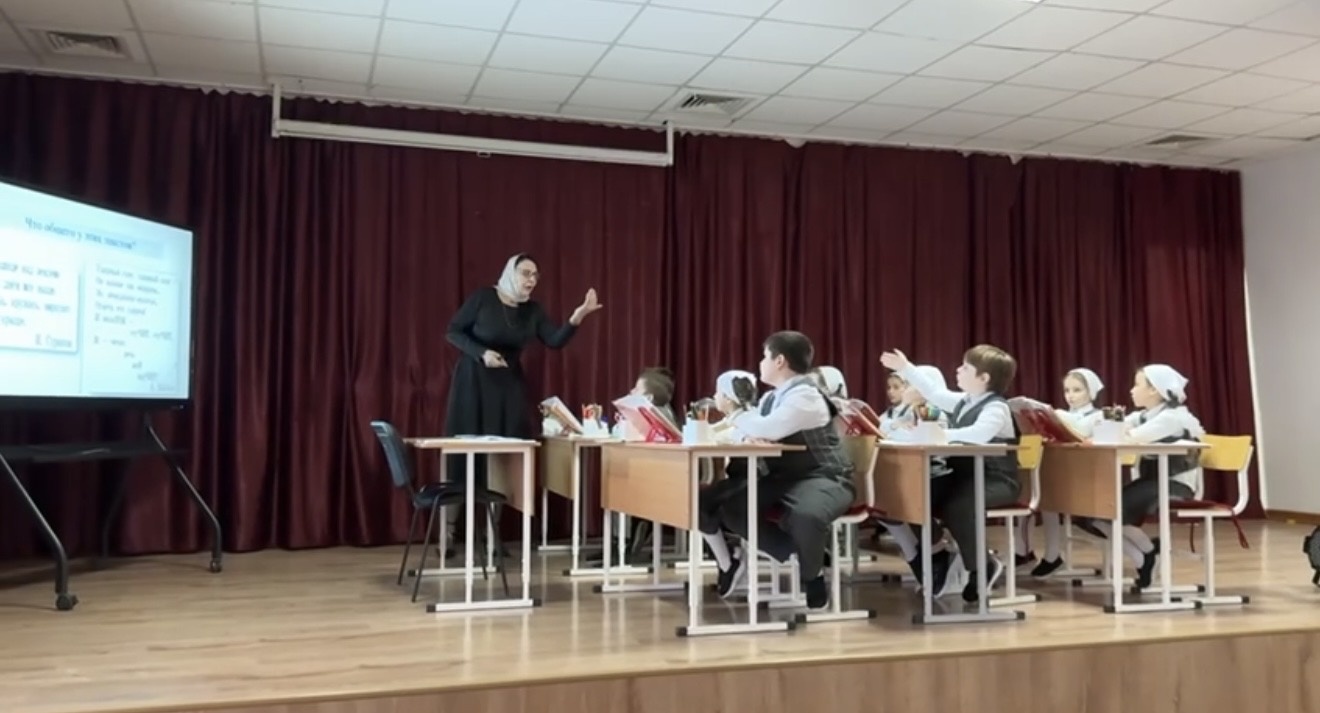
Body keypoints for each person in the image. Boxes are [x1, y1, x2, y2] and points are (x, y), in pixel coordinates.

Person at [443, 254, 602, 537]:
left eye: (535, 276)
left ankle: (491, 536)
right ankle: (449, 531)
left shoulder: (533, 310)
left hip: (508, 385)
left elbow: (554, 341)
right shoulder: (483, 298)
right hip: (473, 381)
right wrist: (482, 353)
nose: (531, 280)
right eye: (526, 273)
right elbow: (453, 332)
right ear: (510, 272)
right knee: (463, 454)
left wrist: (578, 316)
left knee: (505, 455)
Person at [708, 331, 855, 610]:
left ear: (779, 361)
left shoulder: (806, 396)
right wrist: (747, 434)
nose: (760, 363)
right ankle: (800, 554)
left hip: (825, 476)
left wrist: (739, 417)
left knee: (806, 515)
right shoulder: (771, 398)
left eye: (764, 356)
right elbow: (750, 429)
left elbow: (768, 429)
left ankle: (813, 576)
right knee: (734, 507)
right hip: (784, 478)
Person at [881, 344, 1022, 603]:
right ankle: (939, 554)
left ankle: (980, 567)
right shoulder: (964, 401)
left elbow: (978, 434)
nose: (958, 370)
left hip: (997, 479)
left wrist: (937, 434)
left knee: (959, 506)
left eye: (965, 368)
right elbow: (933, 392)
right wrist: (905, 367)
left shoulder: (996, 408)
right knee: (913, 495)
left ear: (984, 378)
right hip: (963, 477)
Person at [1092, 364, 1204, 589]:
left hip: (1174, 485)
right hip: (1152, 482)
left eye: (1137, 385)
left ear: (1154, 390)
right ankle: (1147, 555)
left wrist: (1118, 429)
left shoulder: (1172, 418)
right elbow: (1114, 428)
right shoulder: (1144, 415)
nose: (1131, 390)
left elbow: (1130, 437)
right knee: (1097, 511)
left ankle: (1146, 556)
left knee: (1109, 510)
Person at [1027, 368, 1105, 578]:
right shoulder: (1065, 415)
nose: (1070, 395)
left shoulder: (1098, 416)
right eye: (1067, 390)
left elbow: (1081, 432)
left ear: (1091, 391)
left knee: (1050, 496)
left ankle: (1052, 556)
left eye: (1077, 390)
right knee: (1045, 497)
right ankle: (1050, 554)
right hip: (1066, 472)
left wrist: (1056, 417)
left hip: (1088, 476)